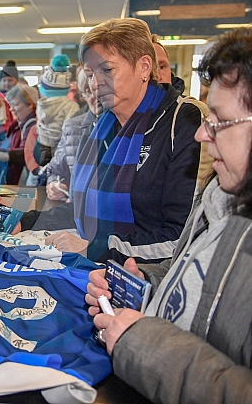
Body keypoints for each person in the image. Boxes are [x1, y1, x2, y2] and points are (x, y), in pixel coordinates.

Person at [86, 27, 252, 404]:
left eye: (220, 122)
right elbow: (196, 275)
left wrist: (143, 343)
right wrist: (141, 282)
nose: (202, 136)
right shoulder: (220, 194)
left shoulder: (181, 126)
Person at [29, 18, 211, 264]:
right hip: (95, 272)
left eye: (107, 70)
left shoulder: (184, 121)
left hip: (147, 281)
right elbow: (83, 211)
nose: (95, 84)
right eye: (90, 74)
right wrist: (25, 220)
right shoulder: (97, 126)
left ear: (144, 67)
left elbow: (183, 238)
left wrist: (95, 248)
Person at [39, 68, 103, 199]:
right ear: (82, 96)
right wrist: (55, 185)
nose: (95, 96)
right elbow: (55, 170)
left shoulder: (124, 124)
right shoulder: (72, 127)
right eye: (88, 92)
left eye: (99, 90)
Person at [0, 83, 38, 185]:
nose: (11, 109)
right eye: (10, 105)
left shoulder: (32, 128)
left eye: (15, 105)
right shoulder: (18, 125)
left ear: (30, 105)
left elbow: (26, 154)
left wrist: (5, 155)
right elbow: (8, 144)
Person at [34, 54, 80, 167]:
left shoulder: (41, 105)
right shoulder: (71, 106)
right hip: (55, 151)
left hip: (39, 146)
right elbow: (70, 132)